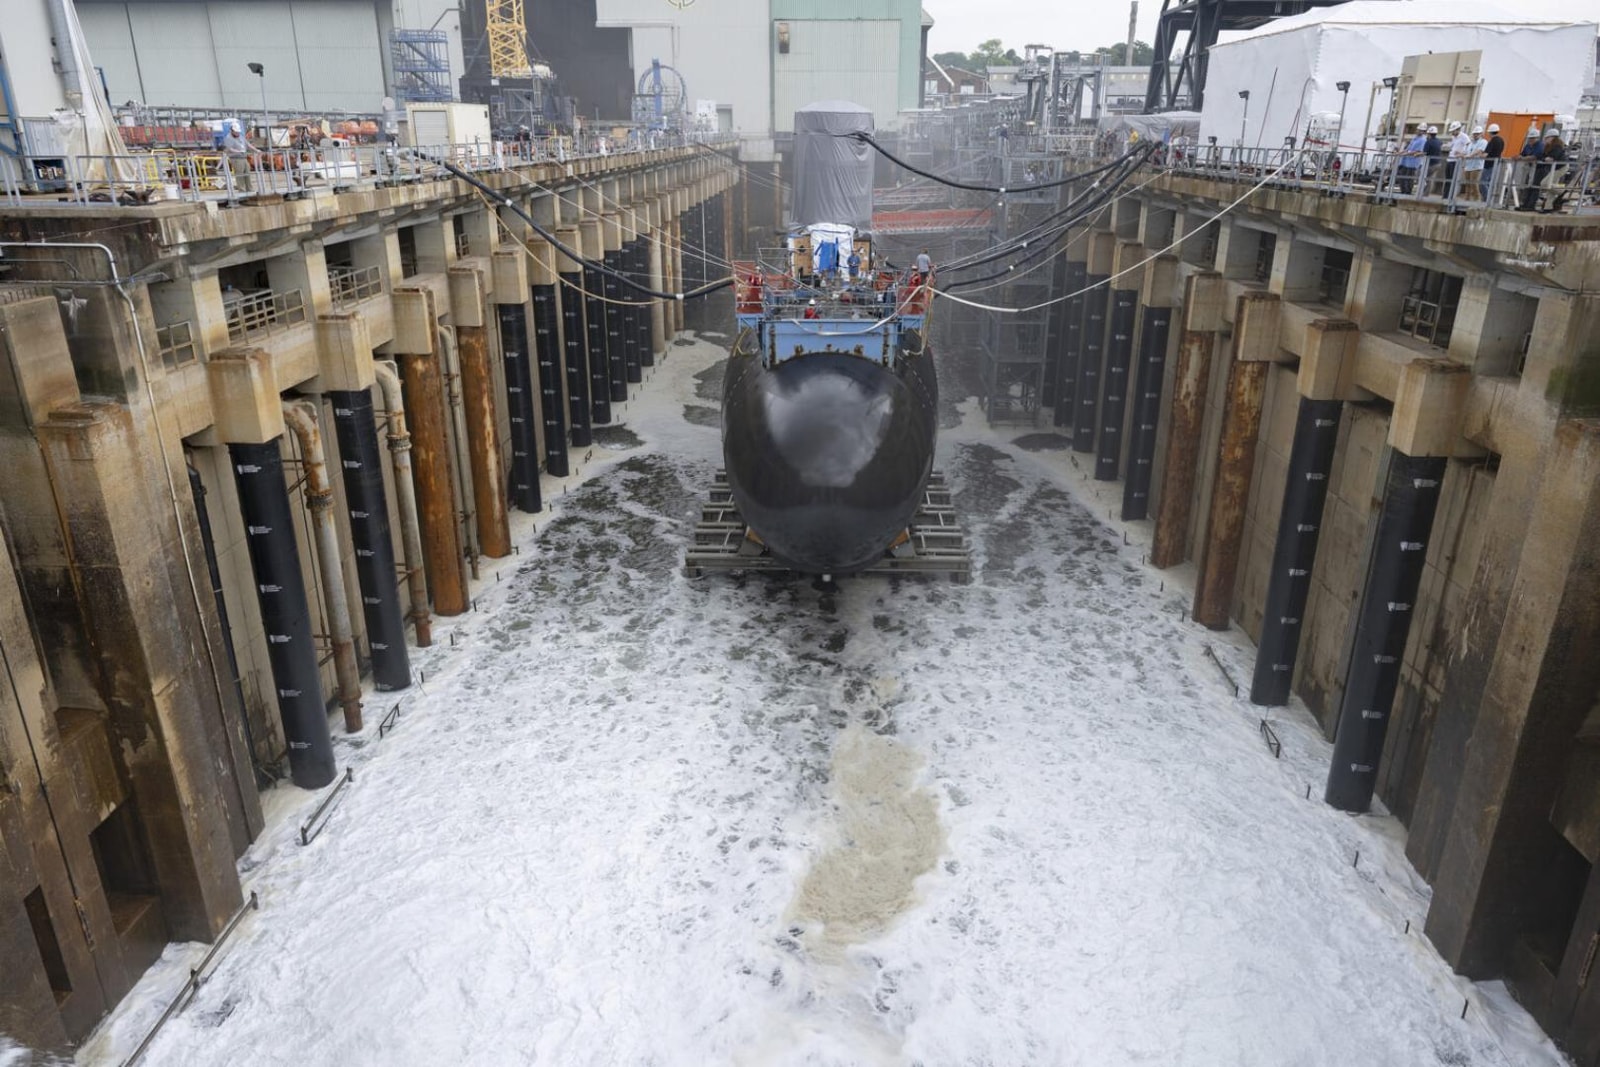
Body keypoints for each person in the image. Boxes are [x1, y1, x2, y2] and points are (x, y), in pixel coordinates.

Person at [1535, 130, 1569, 213]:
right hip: (1554, 168)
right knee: (1550, 189)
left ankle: (1563, 192)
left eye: (1547, 138)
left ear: (1552, 137)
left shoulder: (1557, 146)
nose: (1546, 139)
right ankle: (1548, 208)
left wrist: (1546, 159)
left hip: (1561, 167)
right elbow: (1543, 157)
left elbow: (1552, 158)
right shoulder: (1549, 147)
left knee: (1545, 183)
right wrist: (1545, 159)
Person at [1516, 131, 1546, 211]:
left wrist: (1522, 158)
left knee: (1534, 186)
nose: (1531, 140)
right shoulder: (1528, 146)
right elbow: (1523, 154)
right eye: (1530, 138)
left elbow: (1535, 156)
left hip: (1539, 169)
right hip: (1530, 168)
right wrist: (1518, 157)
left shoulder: (1540, 145)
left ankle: (1530, 205)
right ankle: (1525, 204)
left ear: (1537, 138)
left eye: (1532, 138)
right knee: (1527, 186)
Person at [220, 120, 252, 193]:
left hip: (243, 157)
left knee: (247, 174)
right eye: (236, 132)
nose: (237, 133)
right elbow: (229, 149)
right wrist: (238, 151)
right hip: (236, 159)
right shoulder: (228, 138)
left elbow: (247, 144)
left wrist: (256, 150)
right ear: (232, 131)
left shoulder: (241, 136)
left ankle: (250, 189)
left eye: (238, 132)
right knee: (240, 175)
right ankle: (242, 190)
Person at [1396, 127, 1427, 194]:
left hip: (1413, 163)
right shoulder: (1415, 138)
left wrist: (1406, 154)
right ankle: (1403, 191)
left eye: (1421, 130)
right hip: (1405, 161)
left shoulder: (1423, 140)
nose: (1418, 131)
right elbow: (1408, 148)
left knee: (1409, 178)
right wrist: (1400, 153)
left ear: (1423, 132)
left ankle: (1408, 192)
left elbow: (1419, 151)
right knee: (1402, 177)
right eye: (1418, 130)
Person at [1461, 126, 1487, 201]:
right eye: (1474, 134)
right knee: (1467, 183)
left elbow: (1479, 151)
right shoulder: (1470, 143)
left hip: (1476, 166)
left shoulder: (1483, 142)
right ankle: (1467, 199)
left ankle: (1477, 199)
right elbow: (1466, 152)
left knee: (1473, 183)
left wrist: (1470, 155)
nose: (1475, 135)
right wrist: (1461, 155)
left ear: (1481, 134)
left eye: (1477, 134)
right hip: (1468, 165)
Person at [1445, 121, 1470, 197]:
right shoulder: (1453, 137)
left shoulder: (1464, 137)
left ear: (1458, 129)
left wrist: (1462, 153)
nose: (1452, 132)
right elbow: (1452, 146)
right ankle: (1445, 195)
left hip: (1456, 161)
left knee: (1453, 179)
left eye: (1453, 131)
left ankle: (1451, 196)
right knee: (1447, 178)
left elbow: (1469, 146)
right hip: (1450, 159)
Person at [1481, 123, 1505, 204]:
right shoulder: (1501, 140)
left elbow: (1485, 154)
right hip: (1496, 164)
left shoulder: (1492, 141)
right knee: (1490, 182)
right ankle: (1490, 199)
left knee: (1483, 182)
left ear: (1490, 132)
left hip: (1489, 165)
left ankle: (1487, 199)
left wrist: (1480, 155)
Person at [1422, 125, 1443, 195]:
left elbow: (1424, 152)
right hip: (1438, 163)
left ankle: (1424, 193)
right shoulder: (1439, 141)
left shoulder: (1428, 142)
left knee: (1424, 177)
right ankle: (1425, 193)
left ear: (1429, 134)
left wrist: (1416, 154)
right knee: (1429, 178)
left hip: (1431, 163)